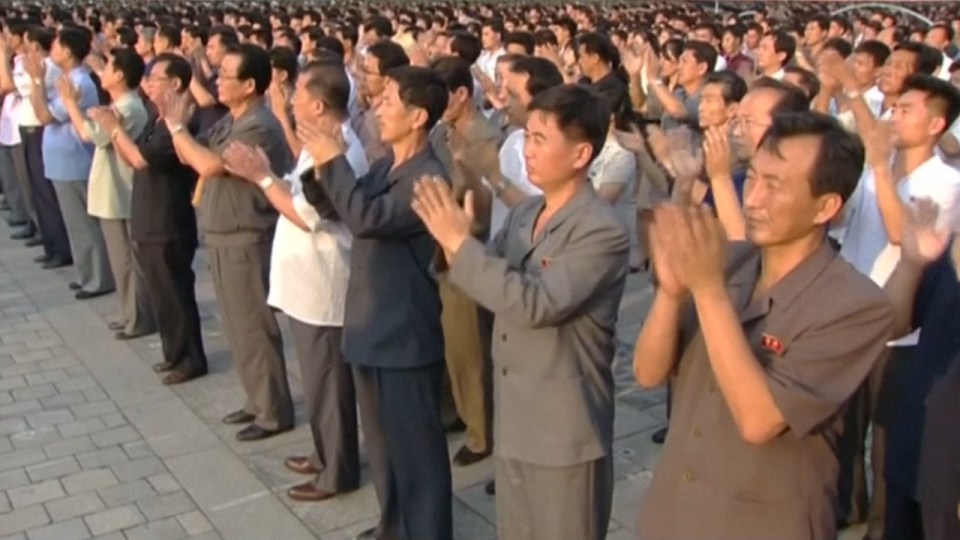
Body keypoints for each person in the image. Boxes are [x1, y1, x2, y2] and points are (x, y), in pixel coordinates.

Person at [634, 112, 894, 539]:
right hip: (675, 512)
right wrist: (669, 291)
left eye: (774, 186)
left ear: (826, 206)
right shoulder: (730, 260)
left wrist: (708, 290)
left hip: (760, 522)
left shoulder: (856, 305)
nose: (752, 199)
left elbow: (759, 421)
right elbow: (647, 372)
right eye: (752, 177)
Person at [412, 83, 629, 540]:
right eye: (527, 136)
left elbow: (535, 303)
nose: (527, 150)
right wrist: (458, 241)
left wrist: (460, 245)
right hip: (516, 418)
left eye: (540, 139)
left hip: (563, 429)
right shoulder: (528, 212)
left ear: (580, 154)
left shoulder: (601, 231)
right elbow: (487, 277)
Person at [298, 65, 452, 540]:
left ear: (419, 115)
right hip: (373, 326)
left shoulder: (426, 178)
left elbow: (367, 217)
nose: (377, 109)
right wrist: (322, 162)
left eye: (388, 102)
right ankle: (394, 526)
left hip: (402, 332)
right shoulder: (390, 164)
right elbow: (341, 207)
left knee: (416, 452)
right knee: (386, 447)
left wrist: (336, 162)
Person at [222, 58, 366, 503]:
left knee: (328, 384)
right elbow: (300, 191)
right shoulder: (318, 142)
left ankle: (338, 469)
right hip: (306, 284)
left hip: (324, 285)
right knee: (318, 379)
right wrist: (274, 174)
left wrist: (261, 176)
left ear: (320, 105)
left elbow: (308, 215)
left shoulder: (339, 148)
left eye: (299, 94)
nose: (290, 99)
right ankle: (326, 454)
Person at [161, 43, 295, 441]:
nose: (217, 80)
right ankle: (256, 400)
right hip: (222, 232)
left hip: (247, 236)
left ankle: (273, 410)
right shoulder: (232, 119)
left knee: (253, 326)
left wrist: (176, 127)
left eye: (226, 76)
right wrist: (182, 132)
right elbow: (194, 156)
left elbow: (207, 163)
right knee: (237, 326)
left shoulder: (259, 125)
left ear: (250, 84)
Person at [90, 53, 208, 385]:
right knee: (161, 293)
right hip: (149, 214)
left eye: (156, 78)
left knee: (175, 293)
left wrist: (113, 129)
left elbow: (140, 160)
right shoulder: (159, 118)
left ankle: (189, 358)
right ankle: (174, 353)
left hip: (168, 220)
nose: (149, 84)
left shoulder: (181, 122)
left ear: (176, 84)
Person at [429, 55, 498, 467]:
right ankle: (457, 412)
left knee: (470, 348)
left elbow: (483, 206)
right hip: (443, 248)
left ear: (460, 94)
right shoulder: (445, 133)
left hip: (473, 250)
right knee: (452, 345)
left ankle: (481, 432)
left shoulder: (485, 137)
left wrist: (463, 169)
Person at [59, 46, 154, 338]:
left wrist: (70, 104)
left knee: (127, 260)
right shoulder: (119, 105)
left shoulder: (129, 108)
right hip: (112, 190)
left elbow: (90, 134)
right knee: (120, 260)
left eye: (109, 67)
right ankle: (128, 314)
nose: (103, 73)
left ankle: (138, 318)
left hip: (121, 192)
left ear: (121, 75)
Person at [30, 26, 114, 297]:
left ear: (67, 51)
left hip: (74, 161)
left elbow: (44, 116)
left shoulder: (79, 82)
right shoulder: (68, 78)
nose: (52, 51)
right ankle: (86, 273)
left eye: (55, 46)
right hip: (62, 162)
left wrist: (36, 81)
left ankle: (98, 278)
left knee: (84, 225)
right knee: (75, 224)